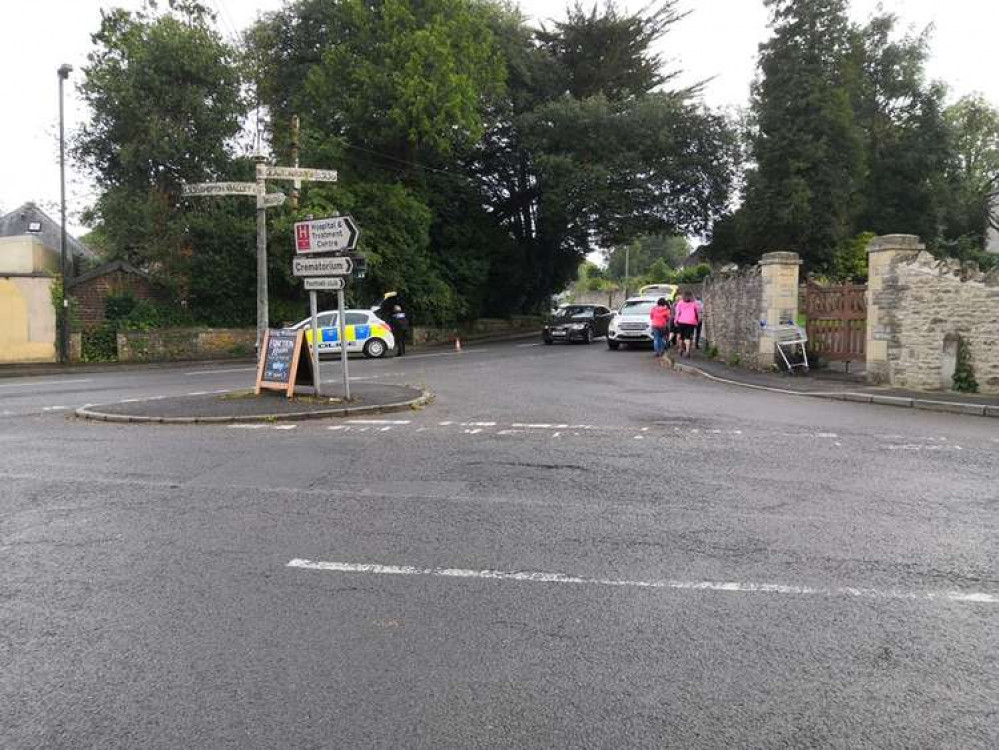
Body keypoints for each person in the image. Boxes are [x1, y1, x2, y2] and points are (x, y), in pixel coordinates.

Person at [672, 290, 700, 358]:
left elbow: (677, 313)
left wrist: (675, 321)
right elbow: (697, 313)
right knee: (688, 337)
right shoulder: (694, 303)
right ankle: (687, 352)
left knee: (681, 337)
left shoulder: (680, 303)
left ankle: (681, 348)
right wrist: (697, 321)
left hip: (681, 321)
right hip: (691, 322)